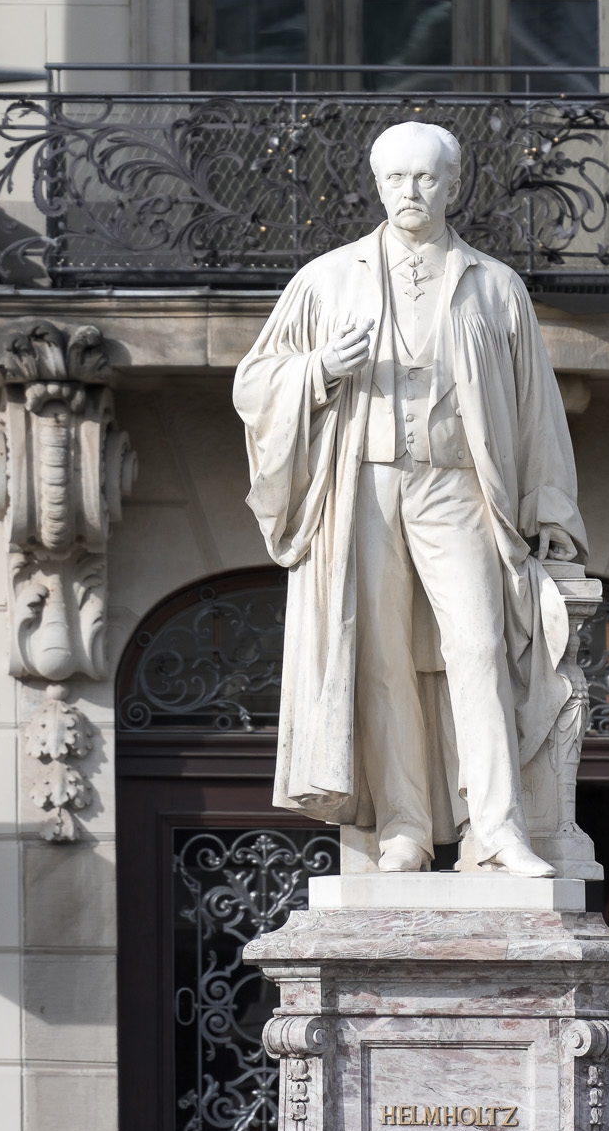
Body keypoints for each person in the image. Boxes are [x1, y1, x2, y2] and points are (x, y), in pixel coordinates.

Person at [231, 120, 587, 880]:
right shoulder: (328, 279)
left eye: (425, 178)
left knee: (480, 646)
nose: (410, 192)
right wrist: (320, 367)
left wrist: (552, 510)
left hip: (458, 483)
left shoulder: (493, 285)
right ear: (376, 184)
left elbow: (536, 410)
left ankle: (494, 827)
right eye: (396, 179)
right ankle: (405, 827)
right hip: (366, 479)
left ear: (454, 186)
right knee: (382, 654)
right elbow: (255, 383)